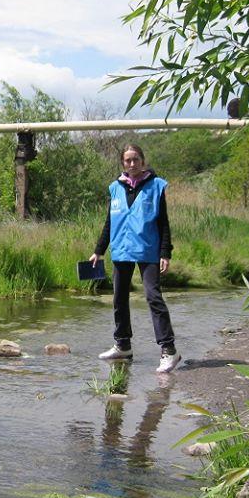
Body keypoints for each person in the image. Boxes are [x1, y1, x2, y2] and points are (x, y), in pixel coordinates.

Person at [89, 144, 181, 373]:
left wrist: (165, 253)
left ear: (143, 160)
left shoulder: (156, 186)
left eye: (136, 159)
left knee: (153, 296)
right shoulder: (115, 188)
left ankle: (169, 350)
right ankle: (123, 345)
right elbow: (109, 223)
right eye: (128, 160)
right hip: (121, 250)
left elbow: (163, 223)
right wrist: (99, 250)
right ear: (123, 163)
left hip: (148, 250)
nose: (132, 164)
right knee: (119, 298)